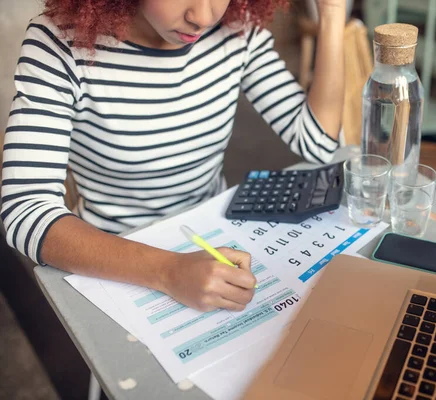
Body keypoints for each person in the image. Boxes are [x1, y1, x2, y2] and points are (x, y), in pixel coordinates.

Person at [1, 0, 344, 312]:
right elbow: (25, 212)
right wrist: (168, 271)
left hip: (216, 244)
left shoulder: (238, 31)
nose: (203, 17)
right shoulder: (59, 44)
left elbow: (316, 142)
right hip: (115, 259)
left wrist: (331, 12)